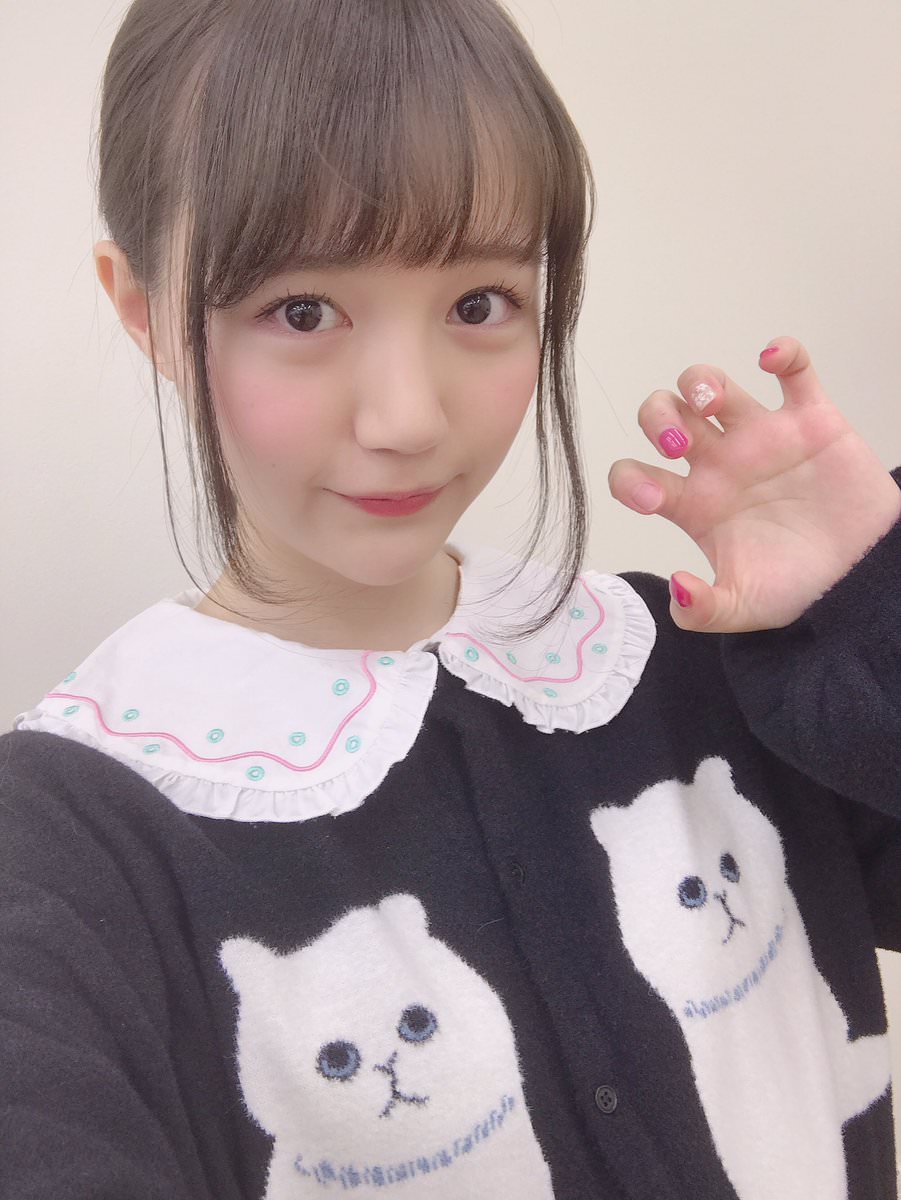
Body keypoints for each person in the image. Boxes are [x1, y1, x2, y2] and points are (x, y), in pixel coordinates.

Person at [2, 0, 900, 1196]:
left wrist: (871, 600)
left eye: (479, 304)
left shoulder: (693, 653)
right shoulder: (68, 844)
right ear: (146, 311)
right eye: (301, 311)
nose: (409, 418)